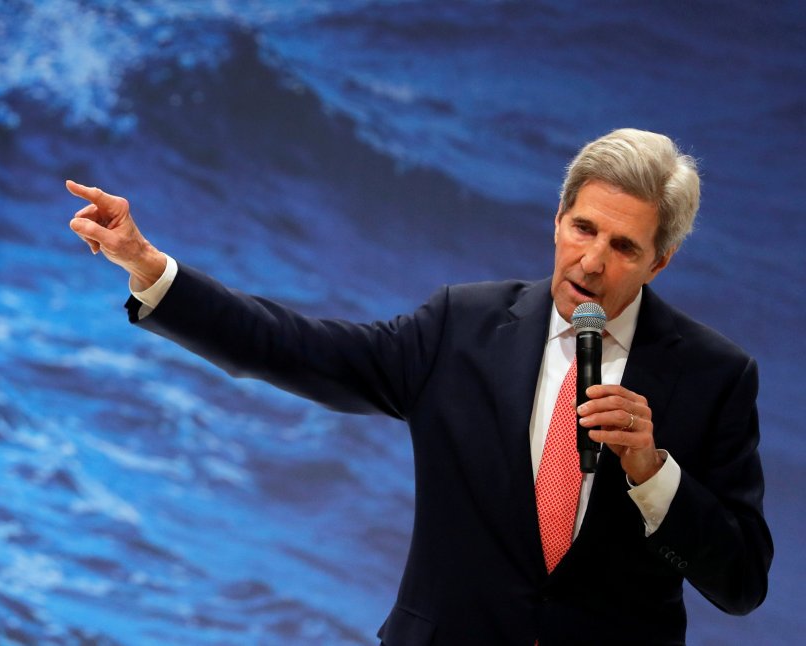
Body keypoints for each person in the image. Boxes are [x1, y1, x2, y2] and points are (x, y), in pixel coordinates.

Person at [65, 129, 772, 645]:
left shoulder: (712, 377)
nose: (592, 260)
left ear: (660, 261)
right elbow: (296, 349)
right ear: (557, 221)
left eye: (623, 247)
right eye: (583, 228)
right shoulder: (460, 327)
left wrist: (653, 475)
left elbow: (740, 585)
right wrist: (151, 268)